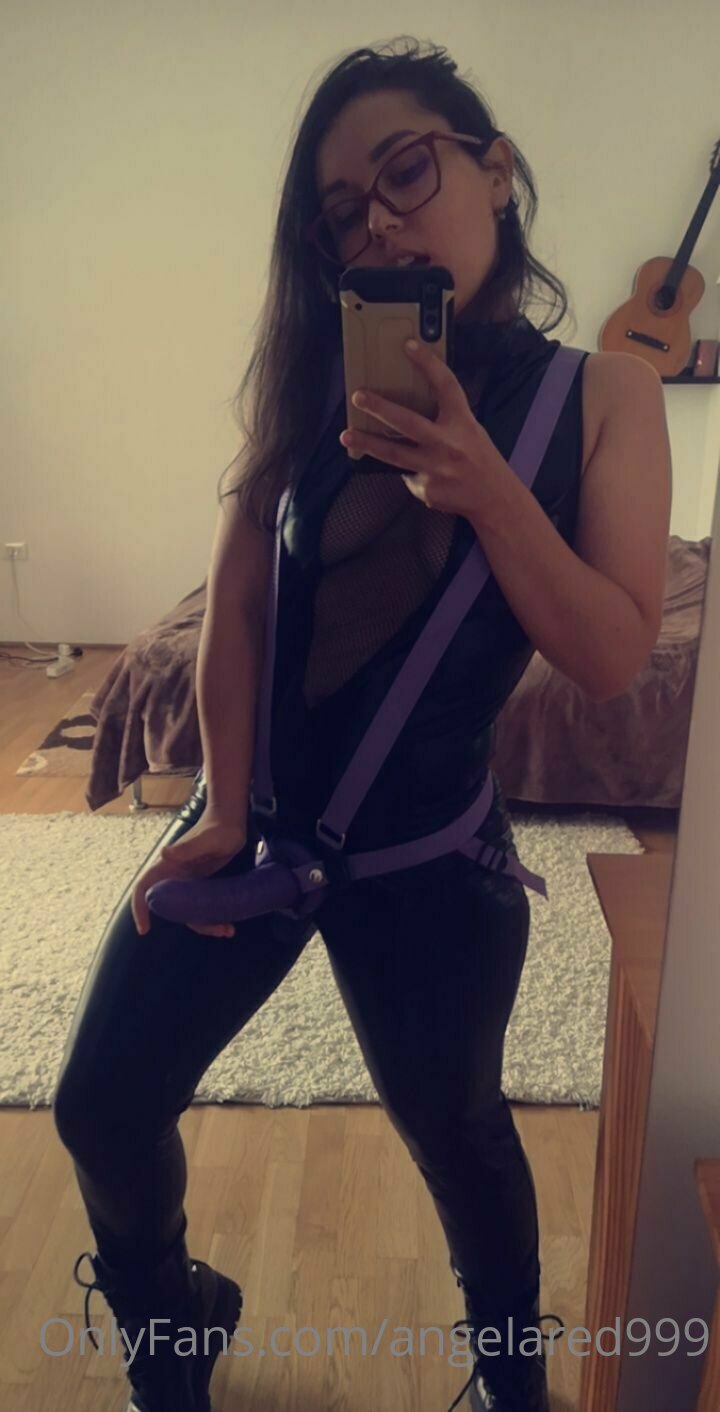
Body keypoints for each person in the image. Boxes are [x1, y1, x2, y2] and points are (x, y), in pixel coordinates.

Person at [53, 36, 672, 1412]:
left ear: (494, 170)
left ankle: (511, 1379)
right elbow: (235, 589)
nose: (380, 222)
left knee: (459, 1136)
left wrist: (484, 486)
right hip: (258, 828)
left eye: (407, 172)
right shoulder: (318, 370)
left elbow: (614, 653)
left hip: (429, 864)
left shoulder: (608, 397)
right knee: (99, 1101)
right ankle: (172, 1333)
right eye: (343, 213)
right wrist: (222, 801)